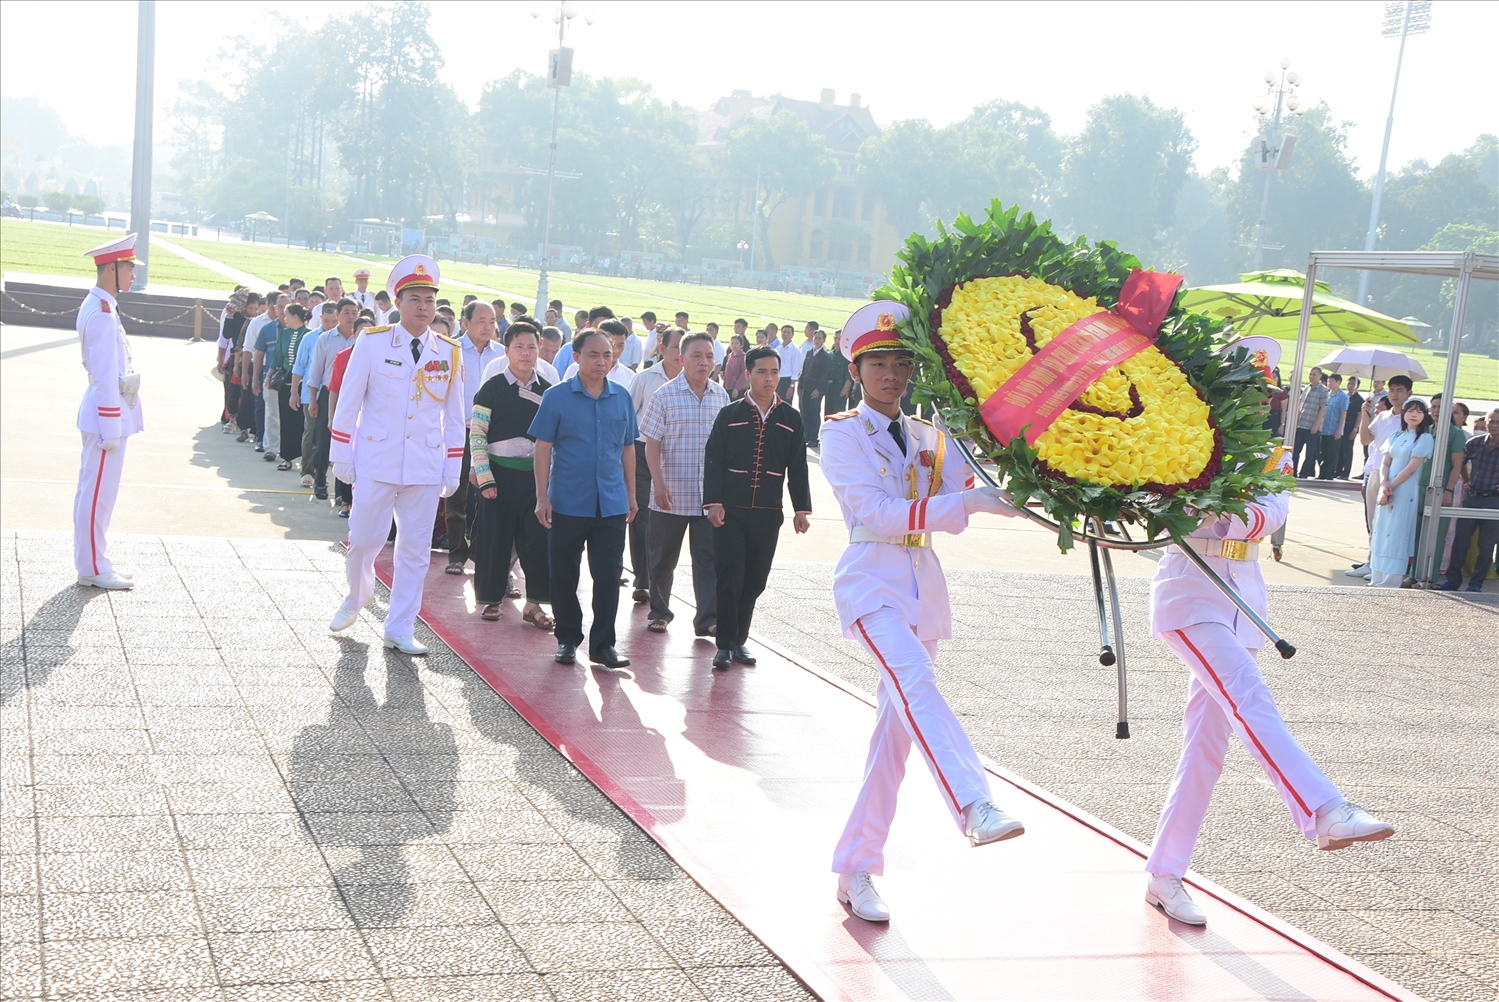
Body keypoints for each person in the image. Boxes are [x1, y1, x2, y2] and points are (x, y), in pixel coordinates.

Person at [823, 302, 1026, 924]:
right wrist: (974, 504)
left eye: (901, 363)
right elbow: (879, 513)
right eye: (878, 363)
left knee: (893, 740)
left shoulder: (931, 437)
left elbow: (988, 491)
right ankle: (975, 805)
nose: (891, 374)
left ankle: (856, 868)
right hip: (871, 584)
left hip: (922, 590)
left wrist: (1041, 482)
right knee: (916, 682)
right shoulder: (841, 432)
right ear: (857, 370)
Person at [327, 256, 465, 654]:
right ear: (398, 302)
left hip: (424, 463)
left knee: (415, 551)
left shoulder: (449, 351)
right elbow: (349, 401)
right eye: (415, 299)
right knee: (365, 539)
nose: (424, 307)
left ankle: (400, 625)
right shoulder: (373, 342)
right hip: (377, 458)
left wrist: (452, 466)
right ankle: (358, 595)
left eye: (429, 300)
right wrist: (342, 454)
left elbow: (454, 417)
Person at [529, 328, 638, 669]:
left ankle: (603, 644)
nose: (602, 361)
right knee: (564, 573)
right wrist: (541, 497)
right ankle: (567, 638)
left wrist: (632, 495)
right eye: (593, 354)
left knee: (608, 575)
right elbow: (543, 448)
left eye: (607, 355)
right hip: (567, 500)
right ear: (575, 358)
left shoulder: (621, 397)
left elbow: (628, 448)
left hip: (611, 501)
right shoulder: (557, 397)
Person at [702, 345, 812, 670]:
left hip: (768, 513)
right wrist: (713, 503)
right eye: (762, 372)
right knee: (729, 576)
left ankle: (740, 641)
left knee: (755, 580)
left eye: (774, 372)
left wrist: (801, 509)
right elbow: (713, 460)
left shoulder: (791, 419)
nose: (769, 378)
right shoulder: (730, 414)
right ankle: (724, 645)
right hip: (730, 512)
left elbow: (799, 467)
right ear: (748, 374)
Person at [641, 332, 730, 636]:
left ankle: (708, 620)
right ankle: (659, 612)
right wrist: (658, 483)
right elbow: (651, 445)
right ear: (681, 359)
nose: (703, 362)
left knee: (708, 561)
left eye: (709, 356)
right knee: (662, 560)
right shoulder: (664, 395)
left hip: (708, 497)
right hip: (671, 495)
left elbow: (725, 448)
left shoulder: (722, 396)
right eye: (696, 356)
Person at [469, 320, 554, 625]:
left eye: (531, 346)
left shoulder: (549, 391)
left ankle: (534, 604)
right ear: (506, 350)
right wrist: (483, 473)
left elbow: (555, 439)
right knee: (494, 539)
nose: (525, 353)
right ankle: (491, 600)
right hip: (498, 477)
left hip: (534, 478)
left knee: (537, 540)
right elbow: (477, 434)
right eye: (518, 346)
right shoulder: (491, 388)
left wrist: (548, 486)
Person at [73, 233, 144, 590]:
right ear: (112, 269)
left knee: (97, 492)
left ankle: (95, 561)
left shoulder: (103, 306)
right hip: (106, 415)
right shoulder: (101, 312)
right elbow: (104, 377)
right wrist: (111, 427)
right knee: (97, 494)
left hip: (107, 413)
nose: (133, 276)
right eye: (129, 269)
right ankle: (93, 567)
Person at [627, 327, 685, 605]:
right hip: (641, 454)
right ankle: (642, 580)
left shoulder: (697, 380)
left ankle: (659, 578)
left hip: (677, 458)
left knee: (667, 519)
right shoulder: (645, 379)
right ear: (662, 349)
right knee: (641, 517)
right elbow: (627, 419)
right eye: (676, 347)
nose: (681, 354)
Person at [444, 300, 502, 575]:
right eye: (481, 321)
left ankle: (481, 551)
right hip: (457, 431)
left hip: (490, 435)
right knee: (455, 492)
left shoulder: (502, 356)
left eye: (492, 321)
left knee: (487, 494)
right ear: (465, 323)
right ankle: (457, 552)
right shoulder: (450, 351)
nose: (488, 326)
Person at [1348, 375, 1412, 578]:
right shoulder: (1383, 416)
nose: (1394, 394)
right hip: (1375, 471)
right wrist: (1365, 415)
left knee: (1389, 523)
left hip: (1396, 475)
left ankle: (1383, 566)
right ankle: (1371, 561)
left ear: (1409, 393)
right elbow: (1365, 440)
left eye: (1399, 390)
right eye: (1392, 389)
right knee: (1373, 520)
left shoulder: (1410, 418)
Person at [1368, 399, 1436, 587]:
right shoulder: (1395, 435)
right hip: (1387, 489)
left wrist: (1391, 486)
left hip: (1405, 490)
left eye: (1419, 412)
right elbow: (1385, 462)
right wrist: (1384, 484)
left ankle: (1391, 579)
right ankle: (1377, 577)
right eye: (1410, 411)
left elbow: (1411, 468)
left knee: (1397, 531)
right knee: (1382, 528)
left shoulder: (1424, 438)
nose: (1414, 415)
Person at [306, 299, 361, 504]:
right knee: (323, 441)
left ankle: (341, 493)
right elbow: (316, 372)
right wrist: (312, 399)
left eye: (354, 312)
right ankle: (320, 481)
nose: (351, 316)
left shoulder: (365, 339)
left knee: (347, 444)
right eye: (347, 312)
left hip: (353, 397)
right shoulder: (326, 339)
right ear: (337, 314)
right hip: (329, 394)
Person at [1439, 407, 1499, 592]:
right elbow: (1460, 463)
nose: (1494, 425)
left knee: (1486, 545)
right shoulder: (1474, 443)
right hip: (1472, 498)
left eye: (1498, 422)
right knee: (1461, 541)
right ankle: (1453, 581)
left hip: (1494, 500)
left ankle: (1476, 584)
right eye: (1491, 421)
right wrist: (1466, 480)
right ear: (1486, 422)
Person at [272, 303, 310, 471]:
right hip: (287, 380)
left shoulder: (309, 335)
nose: (284, 318)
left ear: (295, 317)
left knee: (304, 423)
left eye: (287, 315)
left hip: (305, 383)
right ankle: (287, 457)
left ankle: (305, 458)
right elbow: (278, 357)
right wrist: (269, 375)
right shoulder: (284, 333)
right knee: (286, 420)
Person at [1285, 366, 1328, 477]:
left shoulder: (1323, 390)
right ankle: (1292, 472)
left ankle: (1304, 473)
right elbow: (1301, 405)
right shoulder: (1306, 388)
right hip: (1302, 424)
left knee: (1310, 453)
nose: (1311, 376)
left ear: (1320, 376)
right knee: (1296, 451)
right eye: (1310, 374)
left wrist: (1316, 425)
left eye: (1314, 374)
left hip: (1312, 426)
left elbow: (1323, 408)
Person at [798, 326, 830, 448]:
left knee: (814, 412)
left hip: (816, 389)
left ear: (824, 340)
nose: (817, 340)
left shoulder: (825, 357)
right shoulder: (809, 353)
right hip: (805, 387)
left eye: (819, 338)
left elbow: (824, 375)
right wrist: (800, 386)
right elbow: (804, 370)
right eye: (815, 338)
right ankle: (805, 436)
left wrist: (818, 389)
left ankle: (813, 438)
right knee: (805, 412)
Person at [1315, 373, 1347, 480]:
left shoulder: (1343, 396)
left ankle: (1329, 475)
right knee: (1322, 453)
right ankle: (1322, 473)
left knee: (1332, 454)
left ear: (1338, 382)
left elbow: (1343, 414)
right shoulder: (1327, 394)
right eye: (1328, 381)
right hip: (1324, 428)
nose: (1330, 384)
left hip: (1334, 430)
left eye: (1332, 382)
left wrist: (1339, 430)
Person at [1335, 376, 1363, 479]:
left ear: (1357, 386)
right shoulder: (1345, 397)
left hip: (1351, 425)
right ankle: (1337, 470)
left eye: (1353, 384)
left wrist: (1355, 429)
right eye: (1349, 384)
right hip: (1342, 425)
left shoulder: (1358, 400)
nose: (1350, 386)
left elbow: (1359, 415)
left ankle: (1345, 472)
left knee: (1347, 449)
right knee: (1340, 448)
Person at [775, 323, 802, 404]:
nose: (786, 334)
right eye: (784, 332)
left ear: (792, 334)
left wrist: (791, 386)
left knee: (785, 404)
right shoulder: (778, 348)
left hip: (787, 380)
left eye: (788, 332)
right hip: (777, 379)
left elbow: (795, 369)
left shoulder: (795, 350)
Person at [722, 334, 749, 400]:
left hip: (738, 389)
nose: (734, 345)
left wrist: (737, 388)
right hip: (728, 387)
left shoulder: (743, 356)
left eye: (736, 343)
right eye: (732, 343)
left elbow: (744, 373)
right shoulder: (729, 356)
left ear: (741, 345)